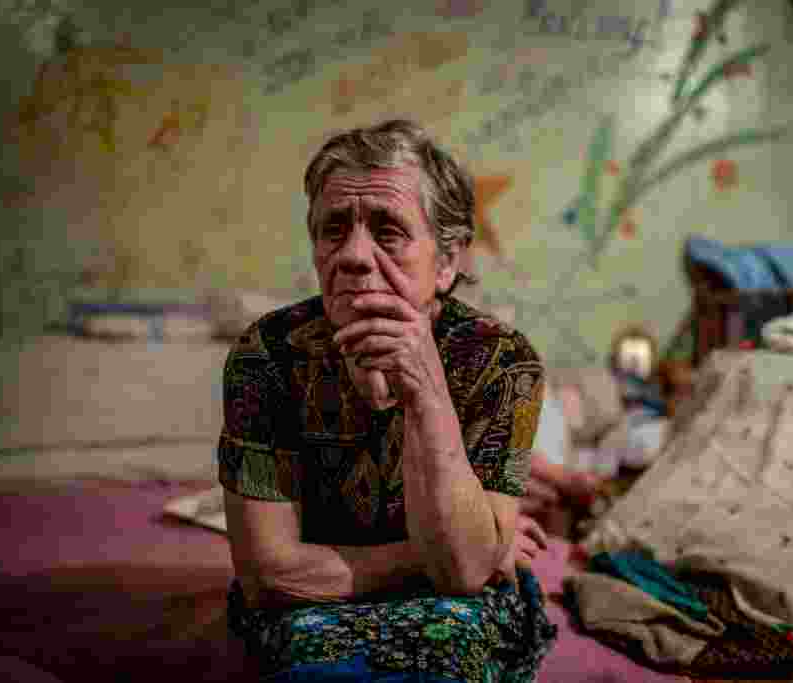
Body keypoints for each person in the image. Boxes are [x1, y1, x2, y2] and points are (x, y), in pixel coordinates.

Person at [218, 119, 556, 682]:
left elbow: (465, 581)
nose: (352, 256)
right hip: (308, 611)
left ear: (448, 262)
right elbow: (271, 579)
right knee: (313, 656)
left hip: (453, 613)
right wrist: (452, 554)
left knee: (456, 640)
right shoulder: (266, 358)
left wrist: (427, 392)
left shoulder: (501, 362)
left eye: (388, 230)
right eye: (333, 229)